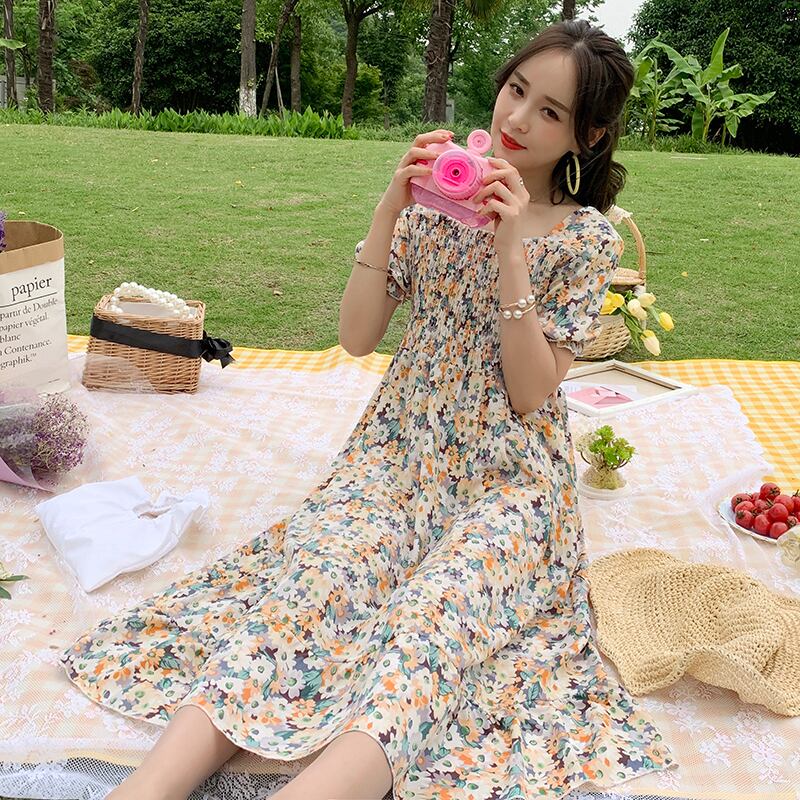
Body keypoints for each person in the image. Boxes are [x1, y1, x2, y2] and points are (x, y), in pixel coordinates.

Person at [60, 18, 676, 800]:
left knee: (430, 623)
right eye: (516, 90)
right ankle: (144, 790)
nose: (517, 118)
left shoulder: (586, 240)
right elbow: (356, 337)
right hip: (398, 451)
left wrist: (511, 249)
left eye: (549, 111)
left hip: (508, 481)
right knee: (315, 584)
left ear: (586, 136)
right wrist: (392, 205)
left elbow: (530, 393)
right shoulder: (435, 206)